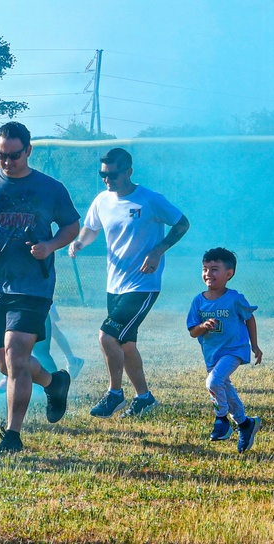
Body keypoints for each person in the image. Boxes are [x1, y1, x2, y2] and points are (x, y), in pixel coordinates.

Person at [0, 121, 79, 454]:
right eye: (0, 156)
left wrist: (51, 245)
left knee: (16, 355)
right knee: (6, 365)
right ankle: (55, 382)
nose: (7, 162)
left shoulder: (50, 188)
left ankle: (12, 435)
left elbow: (71, 225)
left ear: (28, 150)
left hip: (33, 285)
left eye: (13, 155)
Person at [69, 148, 190, 418]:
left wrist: (159, 250)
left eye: (112, 174)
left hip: (143, 285)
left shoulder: (150, 200)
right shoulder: (102, 200)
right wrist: (79, 242)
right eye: (103, 174)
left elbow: (182, 224)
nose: (107, 180)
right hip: (114, 285)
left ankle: (114, 394)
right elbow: (91, 228)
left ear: (128, 172)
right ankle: (144, 398)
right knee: (126, 344)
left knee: (107, 335)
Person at [187, 248, 262, 452]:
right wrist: (203, 326)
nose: (208, 274)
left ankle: (221, 421)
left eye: (214, 269)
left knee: (213, 382)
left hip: (234, 350)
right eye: (205, 269)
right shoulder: (198, 301)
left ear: (229, 274)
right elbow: (193, 332)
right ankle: (246, 424)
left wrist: (254, 345)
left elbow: (249, 318)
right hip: (212, 355)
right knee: (226, 390)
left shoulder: (234, 298)